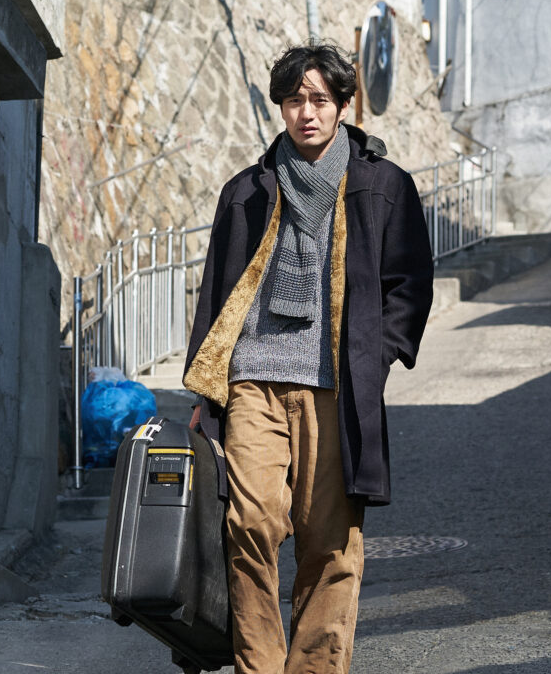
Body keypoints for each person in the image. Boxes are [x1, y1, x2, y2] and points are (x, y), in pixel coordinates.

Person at [183, 43, 434, 673]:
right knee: (250, 524)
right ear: (282, 108)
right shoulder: (247, 190)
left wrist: (377, 356)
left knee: (329, 544)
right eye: (295, 100)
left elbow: (409, 282)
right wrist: (206, 392)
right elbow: (216, 294)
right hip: (254, 379)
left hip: (335, 387)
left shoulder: (382, 185)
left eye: (320, 99)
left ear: (344, 105)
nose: (307, 113)